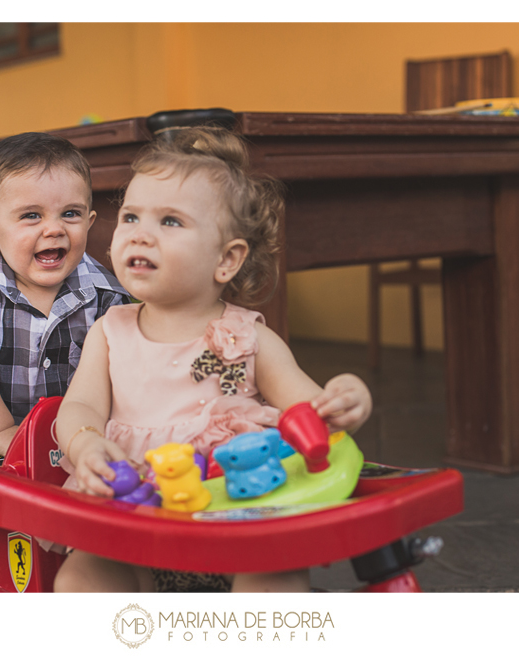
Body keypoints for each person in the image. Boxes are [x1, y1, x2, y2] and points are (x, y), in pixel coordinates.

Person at [52, 126, 373, 593]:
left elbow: (313, 414)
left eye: (170, 222)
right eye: (131, 217)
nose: (141, 235)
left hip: (240, 524)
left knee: (274, 582)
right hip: (135, 519)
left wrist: (347, 399)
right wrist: (84, 445)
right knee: (81, 581)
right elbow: (79, 407)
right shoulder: (109, 332)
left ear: (227, 260)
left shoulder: (249, 339)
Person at [0, 132, 129, 456]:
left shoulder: (107, 295)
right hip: (1, 448)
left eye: (70, 214)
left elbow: (123, 373)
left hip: (84, 443)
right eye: (31, 215)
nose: (54, 229)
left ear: (90, 222)